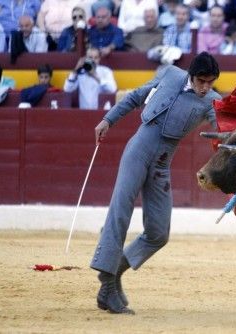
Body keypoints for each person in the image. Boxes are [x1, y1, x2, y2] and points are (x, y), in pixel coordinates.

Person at [90, 52, 221, 314]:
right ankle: (107, 282)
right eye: (202, 81)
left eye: (211, 82)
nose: (206, 87)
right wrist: (108, 119)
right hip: (139, 149)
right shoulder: (170, 74)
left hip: (162, 162)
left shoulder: (213, 101)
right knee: (121, 208)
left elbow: (222, 132)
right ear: (191, 76)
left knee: (159, 233)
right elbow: (137, 96)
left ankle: (114, 273)